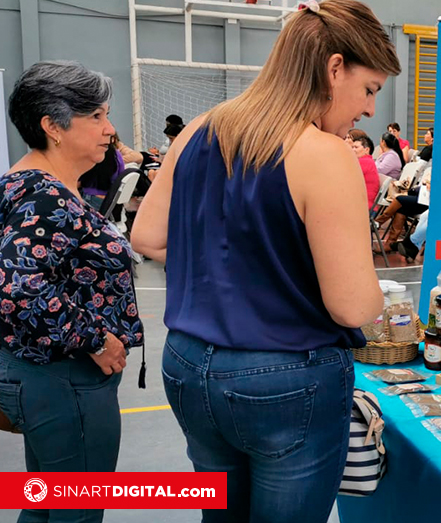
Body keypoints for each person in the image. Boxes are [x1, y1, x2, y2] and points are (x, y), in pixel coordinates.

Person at [130, 0, 399, 520]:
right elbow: (352, 306)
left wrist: (232, 266)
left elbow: (147, 235)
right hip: (285, 378)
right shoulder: (324, 153)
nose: (369, 110)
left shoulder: (201, 128)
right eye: (369, 89)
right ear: (334, 68)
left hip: (187, 364)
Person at [0, 61, 144, 523]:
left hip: (42, 372)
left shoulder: (26, 183)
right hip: (66, 378)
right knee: (76, 513)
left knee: (45, 507)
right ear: (53, 126)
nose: (110, 129)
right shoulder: (46, 197)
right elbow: (19, 287)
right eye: (96, 116)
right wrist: (95, 340)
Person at [79, 133, 126, 209]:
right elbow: (121, 176)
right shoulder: (117, 154)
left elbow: (81, 178)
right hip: (110, 201)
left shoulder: (90, 154)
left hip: (91, 198)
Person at [351, 133, 380, 209]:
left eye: (356, 147)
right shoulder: (367, 161)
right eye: (352, 147)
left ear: (366, 150)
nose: (353, 150)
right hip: (362, 204)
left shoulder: (365, 162)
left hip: (363, 207)